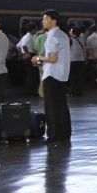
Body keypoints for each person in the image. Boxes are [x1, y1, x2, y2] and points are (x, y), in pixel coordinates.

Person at [31, 10, 71, 144]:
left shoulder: (52, 36)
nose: (43, 21)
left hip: (51, 75)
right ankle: (64, 134)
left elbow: (52, 58)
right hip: (62, 74)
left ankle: (54, 135)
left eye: (46, 19)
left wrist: (37, 58)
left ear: (54, 21)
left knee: (51, 107)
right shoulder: (63, 35)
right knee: (61, 106)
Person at [68, 26, 86, 97]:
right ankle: (80, 91)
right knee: (80, 77)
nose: (69, 32)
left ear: (73, 33)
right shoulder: (82, 39)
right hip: (81, 60)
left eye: (70, 31)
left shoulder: (70, 40)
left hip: (73, 60)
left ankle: (73, 92)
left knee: (73, 77)